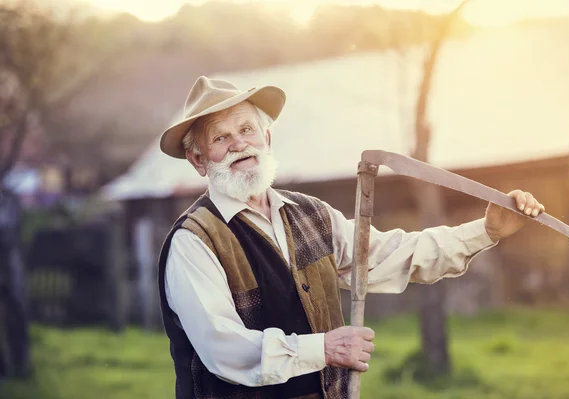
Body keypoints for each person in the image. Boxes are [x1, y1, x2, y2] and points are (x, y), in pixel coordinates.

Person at [157, 76, 545, 399]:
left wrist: (488, 230)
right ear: (199, 160)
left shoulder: (312, 214)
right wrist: (323, 348)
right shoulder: (194, 242)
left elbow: (396, 256)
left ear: (267, 139)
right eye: (221, 138)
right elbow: (223, 348)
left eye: (246, 130)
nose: (239, 144)